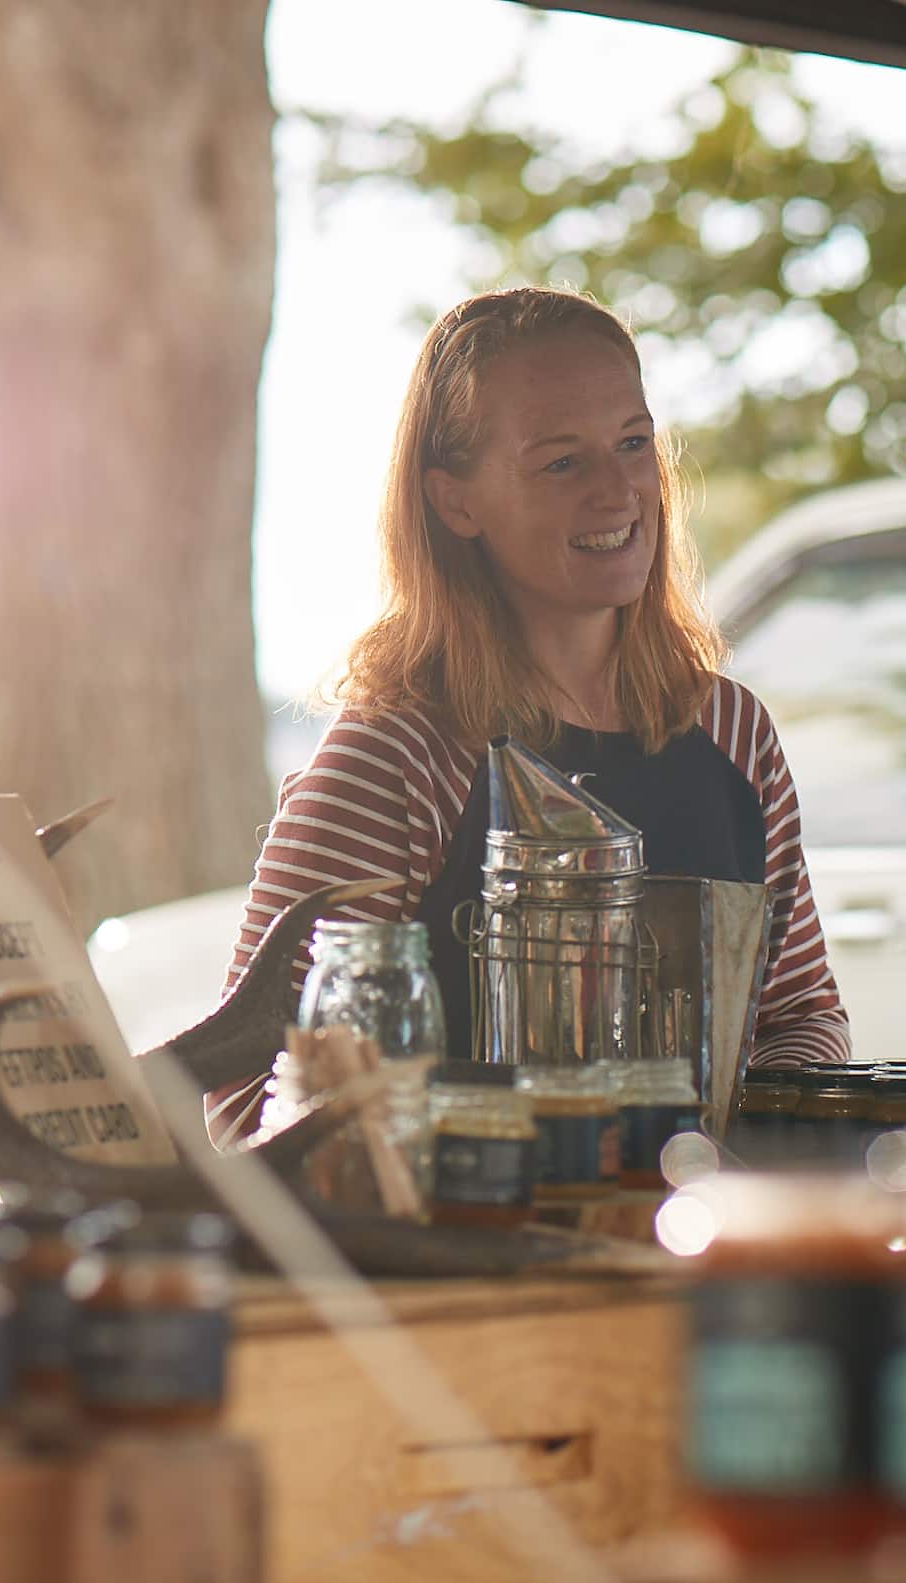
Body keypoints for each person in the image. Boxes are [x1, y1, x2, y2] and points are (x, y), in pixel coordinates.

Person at [214, 287, 849, 1141]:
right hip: (476, 1268)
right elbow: (245, 1092)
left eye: (632, 443)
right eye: (561, 462)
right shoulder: (396, 757)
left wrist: (739, 1158)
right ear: (454, 502)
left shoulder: (733, 731)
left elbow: (800, 1016)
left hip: (701, 1252)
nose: (619, 490)